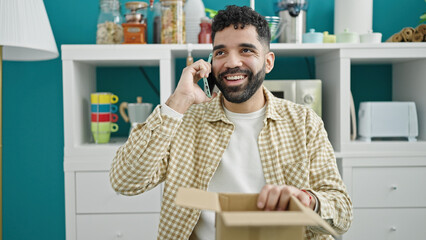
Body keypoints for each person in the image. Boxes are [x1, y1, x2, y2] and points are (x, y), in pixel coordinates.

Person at [110, 5, 352, 240]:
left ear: (268, 62)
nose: (232, 62)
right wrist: (177, 102)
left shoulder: (304, 122)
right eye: (221, 52)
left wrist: (307, 199)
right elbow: (125, 181)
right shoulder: (184, 120)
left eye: (246, 50)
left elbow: (342, 215)